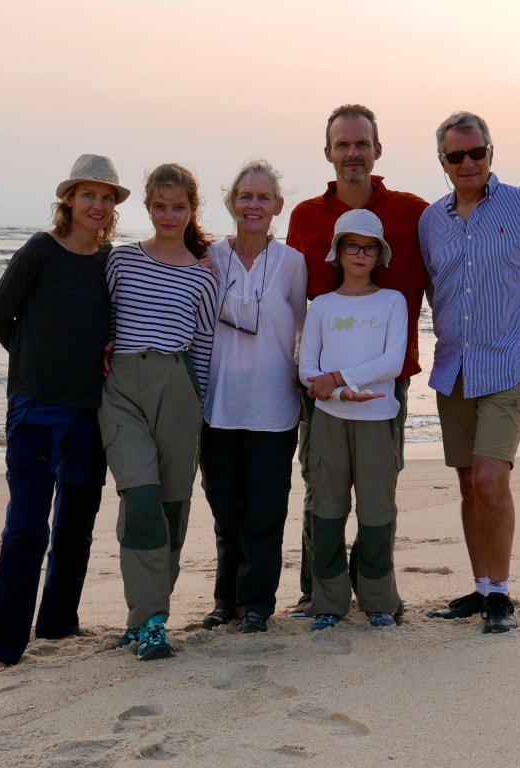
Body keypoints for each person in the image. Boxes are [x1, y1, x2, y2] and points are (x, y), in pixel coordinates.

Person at [285, 104, 520, 617]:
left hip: (389, 380)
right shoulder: (304, 216)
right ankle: (316, 593)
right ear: (328, 152)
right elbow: (293, 301)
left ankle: (376, 594)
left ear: (377, 150)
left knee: (379, 489)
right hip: (320, 386)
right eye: (343, 144)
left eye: (362, 144)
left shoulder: (414, 212)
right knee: (322, 488)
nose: (353, 153)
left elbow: (470, 239)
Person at [419, 111, 520, 632]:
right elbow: (431, 288)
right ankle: (481, 587)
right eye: (455, 155)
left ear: (490, 152)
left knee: (490, 476)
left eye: (476, 152)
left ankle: (502, 593)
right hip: (455, 364)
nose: (467, 162)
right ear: (442, 161)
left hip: (511, 360)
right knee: (468, 482)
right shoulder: (431, 221)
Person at [0, 154, 130, 670]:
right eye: (88, 194)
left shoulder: (110, 262)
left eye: (107, 197)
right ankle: (3, 647)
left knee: (75, 525)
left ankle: (58, 622)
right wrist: (36, 365)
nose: (98, 205)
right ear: (68, 199)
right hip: (35, 410)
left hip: (90, 412)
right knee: (26, 527)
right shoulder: (40, 251)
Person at [99, 163, 219, 660]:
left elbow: (205, 350)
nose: (169, 215)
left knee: (171, 507)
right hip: (122, 391)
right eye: (160, 206)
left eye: (178, 207)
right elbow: (101, 322)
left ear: (192, 210)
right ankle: (151, 619)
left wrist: (202, 412)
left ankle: (145, 618)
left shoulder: (204, 277)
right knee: (141, 500)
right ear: (147, 208)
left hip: (178, 391)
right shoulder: (121, 261)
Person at [197, 161, 308, 634]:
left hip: (273, 408)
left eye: (264, 197)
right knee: (225, 511)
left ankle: (258, 604)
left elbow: (302, 330)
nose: (254, 205)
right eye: (245, 196)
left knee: (265, 511)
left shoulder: (292, 263)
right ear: (231, 202)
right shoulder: (207, 256)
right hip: (216, 406)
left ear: (278, 206)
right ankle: (226, 601)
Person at [298, 209, 407, 630]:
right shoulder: (322, 306)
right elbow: (308, 368)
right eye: (351, 245)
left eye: (369, 247)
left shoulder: (392, 301)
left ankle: (378, 600)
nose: (360, 254)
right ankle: (328, 602)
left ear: (380, 254)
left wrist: (341, 378)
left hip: (377, 418)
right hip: (329, 418)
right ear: (338, 251)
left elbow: (393, 361)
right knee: (326, 510)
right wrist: (340, 393)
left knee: (377, 511)